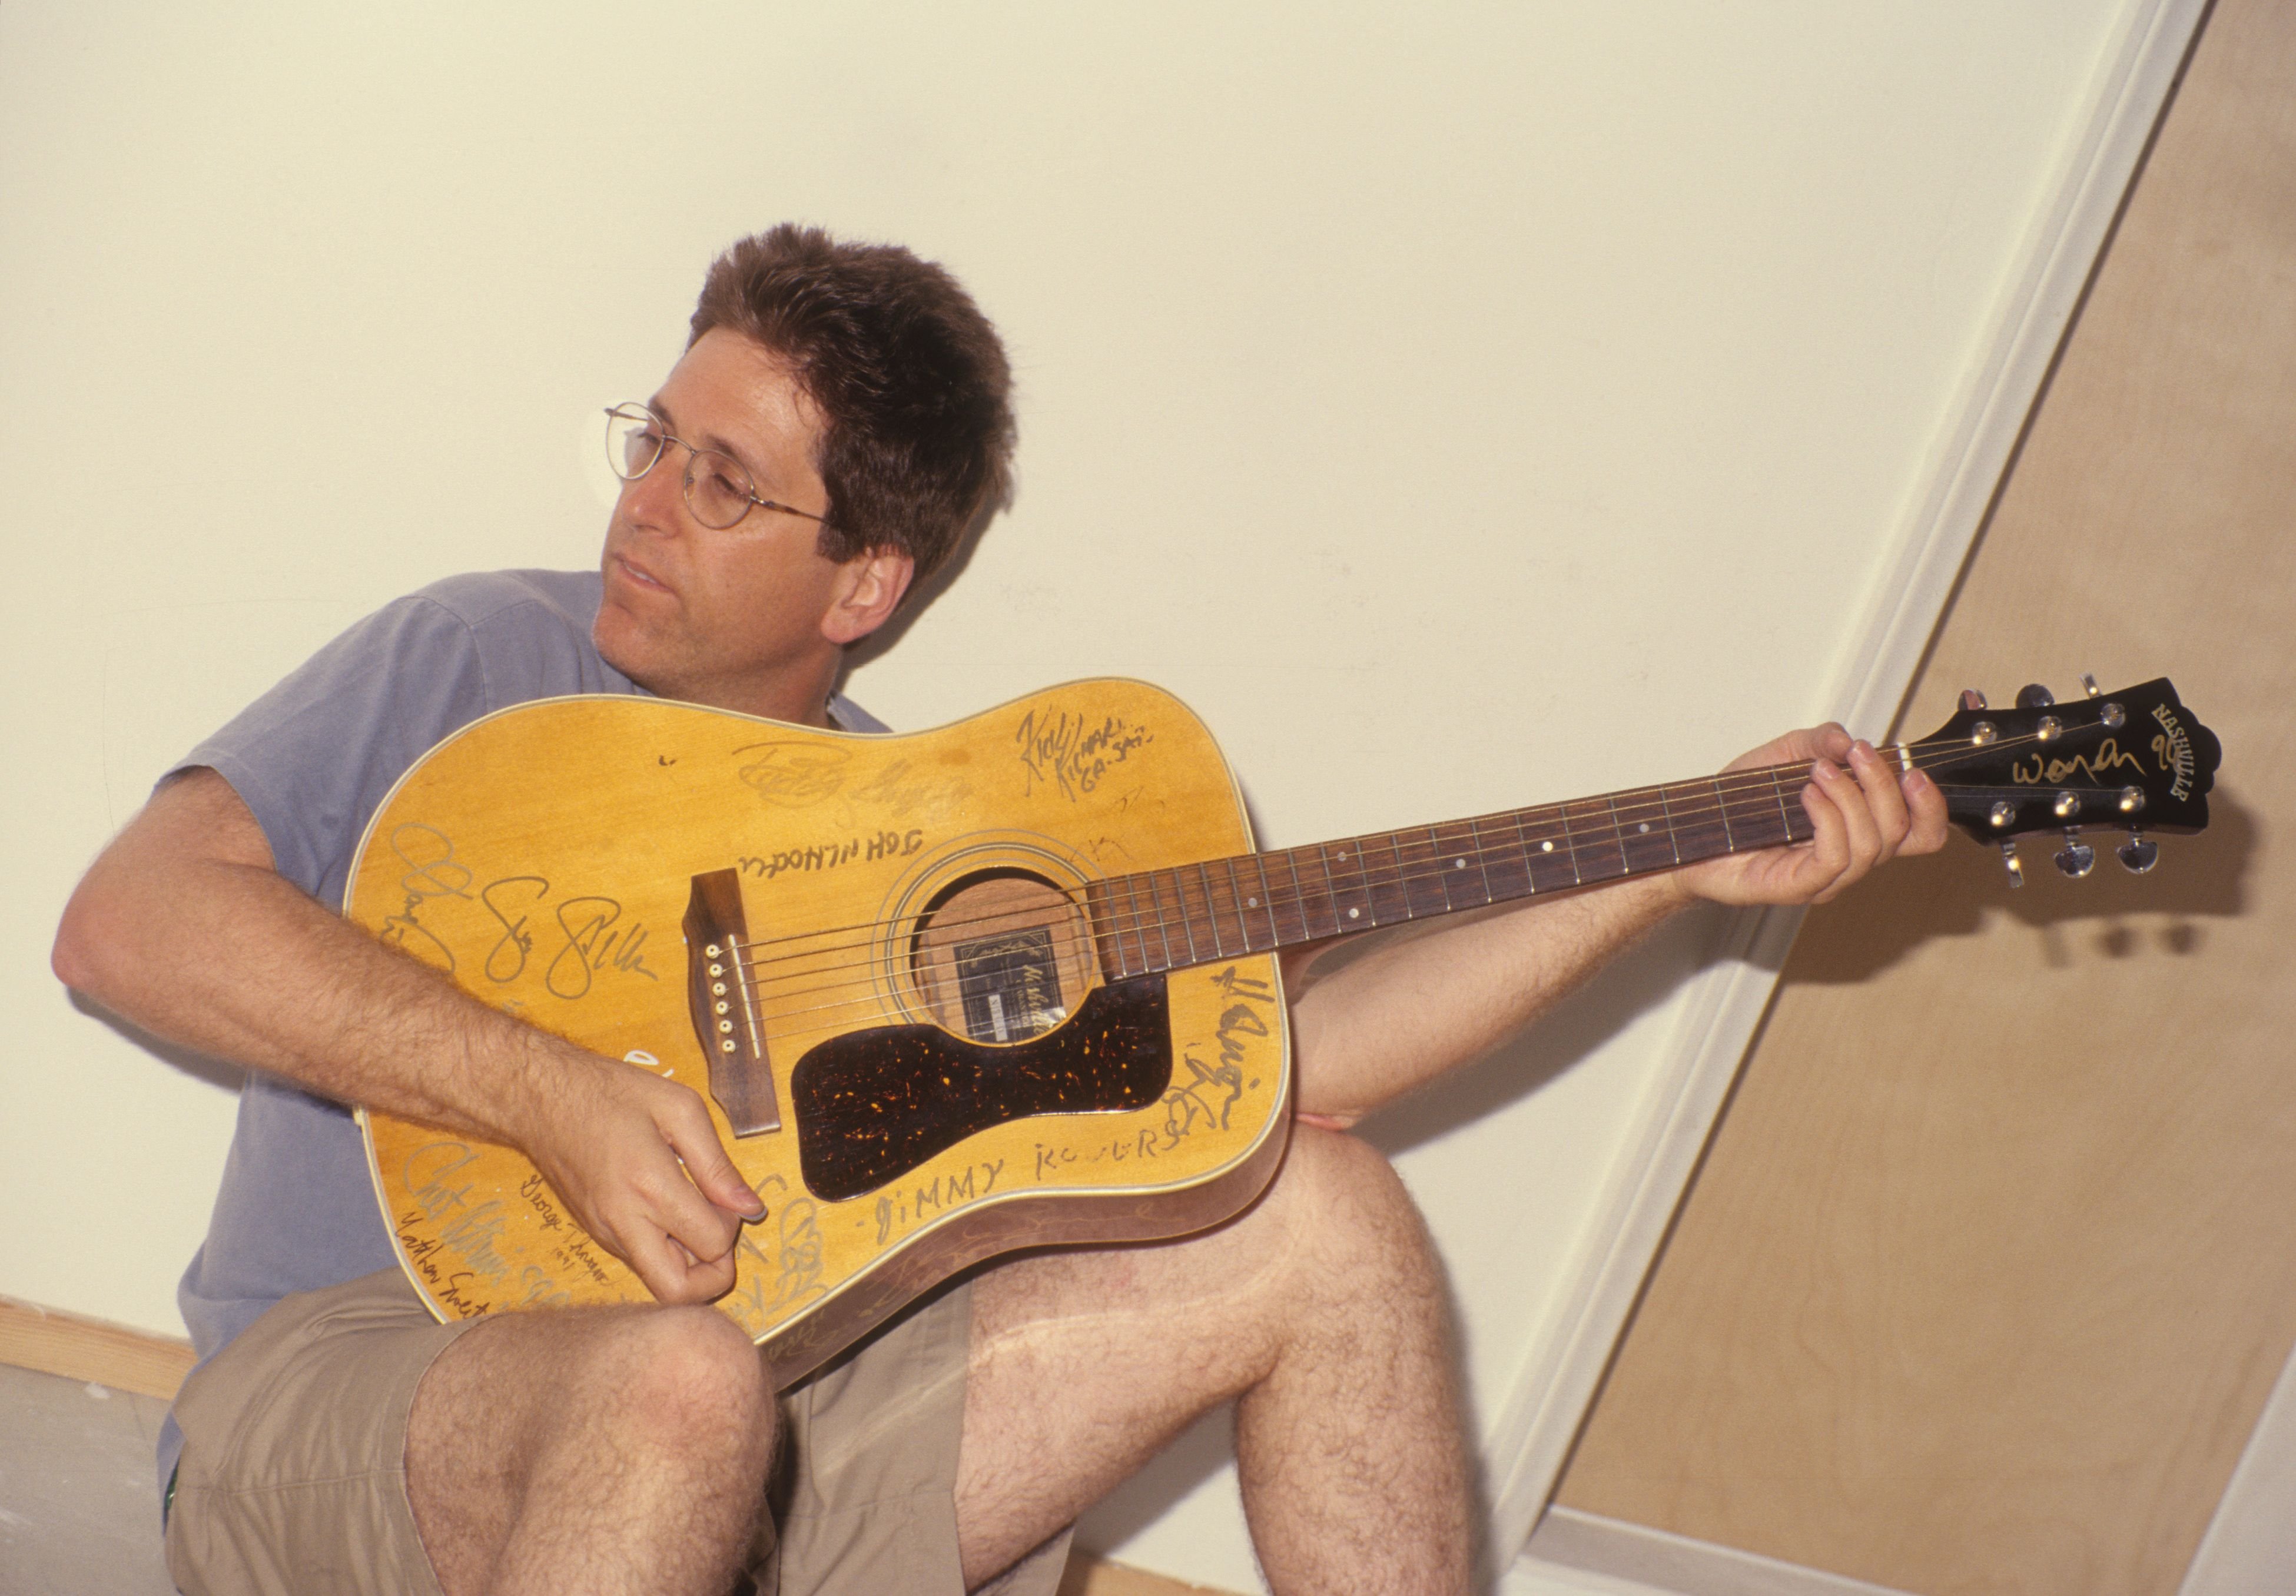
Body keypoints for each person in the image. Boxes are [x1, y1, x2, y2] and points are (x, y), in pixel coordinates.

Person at [52, 223, 1946, 1596]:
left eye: (723, 484)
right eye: (656, 441)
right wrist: (540, 1088)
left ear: (863, 580)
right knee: (675, 1385)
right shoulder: (481, 655)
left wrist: (1677, 864)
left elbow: (1304, 1072)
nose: (644, 504)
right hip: (365, 1404)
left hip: (774, 1452)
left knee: (1331, 1220)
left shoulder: (930, 838)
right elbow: (130, 926)